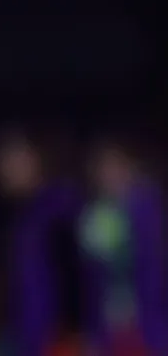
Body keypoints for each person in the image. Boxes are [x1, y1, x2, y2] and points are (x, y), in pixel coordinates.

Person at [0, 123, 83, 356]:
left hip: (59, 340)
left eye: (12, 158)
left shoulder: (62, 206)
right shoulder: (21, 217)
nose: (3, 168)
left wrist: (73, 333)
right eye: (0, 160)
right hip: (25, 338)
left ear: (36, 157)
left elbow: (81, 276)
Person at [79, 133, 166, 356]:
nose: (108, 174)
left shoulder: (149, 208)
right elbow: (90, 284)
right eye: (102, 167)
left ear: (131, 167)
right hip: (110, 328)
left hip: (151, 327)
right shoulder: (92, 216)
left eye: (115, 165)